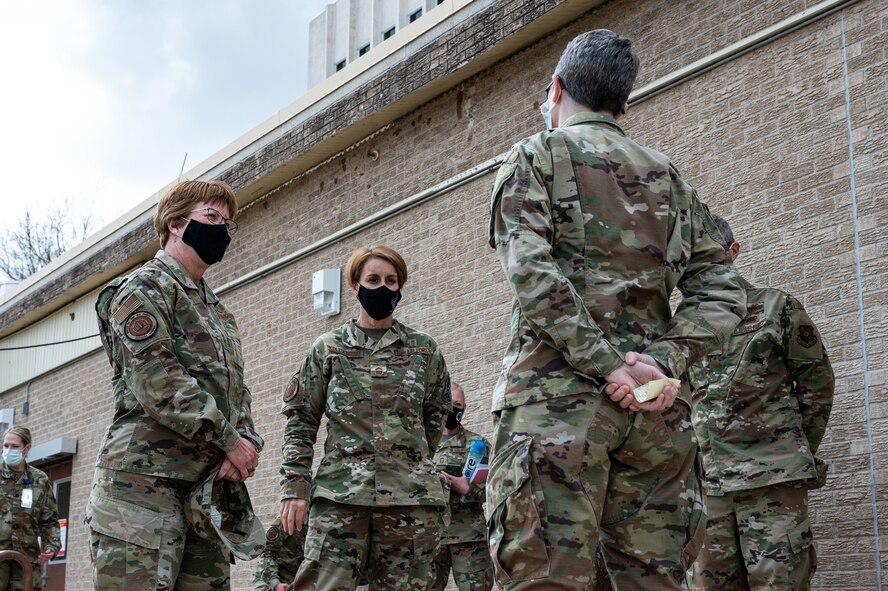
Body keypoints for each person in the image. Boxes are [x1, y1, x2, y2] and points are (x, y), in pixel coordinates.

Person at [487, 29, 746, 590]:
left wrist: (610, 366)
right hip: (656, 417)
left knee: (546, 580)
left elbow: (532, 276)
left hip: (556, 408)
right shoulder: (668, 177)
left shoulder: (536, 155)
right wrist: (659, 364)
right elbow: (724, 287)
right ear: (624, 104)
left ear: (554, 90)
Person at [86, 179, 264, 590]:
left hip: (204, 492)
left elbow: (236, 391)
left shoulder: (217, 311)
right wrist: (229, 441)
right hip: (141, 490)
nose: (222, 229)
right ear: (175, 223)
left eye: (228, 223)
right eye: (212, 217)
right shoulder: (142, 289)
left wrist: (247, 443)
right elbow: (159, 382)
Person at [280, 244, 451, 590]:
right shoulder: (328, 348)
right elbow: (301, 421)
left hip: (409, 503)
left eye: (392, 280)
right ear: (356, 287)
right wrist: (295, 488)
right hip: (340, 500)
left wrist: (408, 465)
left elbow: (433, 420)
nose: (383, 287)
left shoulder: (424, 349)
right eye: (373, 279)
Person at [688, 216, 834, 591]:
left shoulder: (776, 307)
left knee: (780, 583)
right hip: (710, 488)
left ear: (733, 252)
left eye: (709, 254)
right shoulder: (682, 328)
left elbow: (817, 384)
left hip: (772, 479)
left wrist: (790, 450)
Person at [431, 383, 494, 591]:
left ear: (464, 408)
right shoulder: (423, 444)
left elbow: (495, 489)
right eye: (447, 403)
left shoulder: (478, 444)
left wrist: (468, 489)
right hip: (431, 538)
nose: (452, 409)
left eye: (457, 404)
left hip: (469, 537)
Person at [0, 427, 61, 591]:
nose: (8, 450)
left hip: (26, 561)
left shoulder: (39, 480)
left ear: (27, 449)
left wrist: (51, 547)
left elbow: (49, 520)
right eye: (6, 446)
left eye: (14, 446)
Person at [252, 519, 305, 591]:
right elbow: (266, 553)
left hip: (297, 580)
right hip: (270, 576)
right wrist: (275, 584)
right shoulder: (288, 519)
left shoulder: (320, 522)